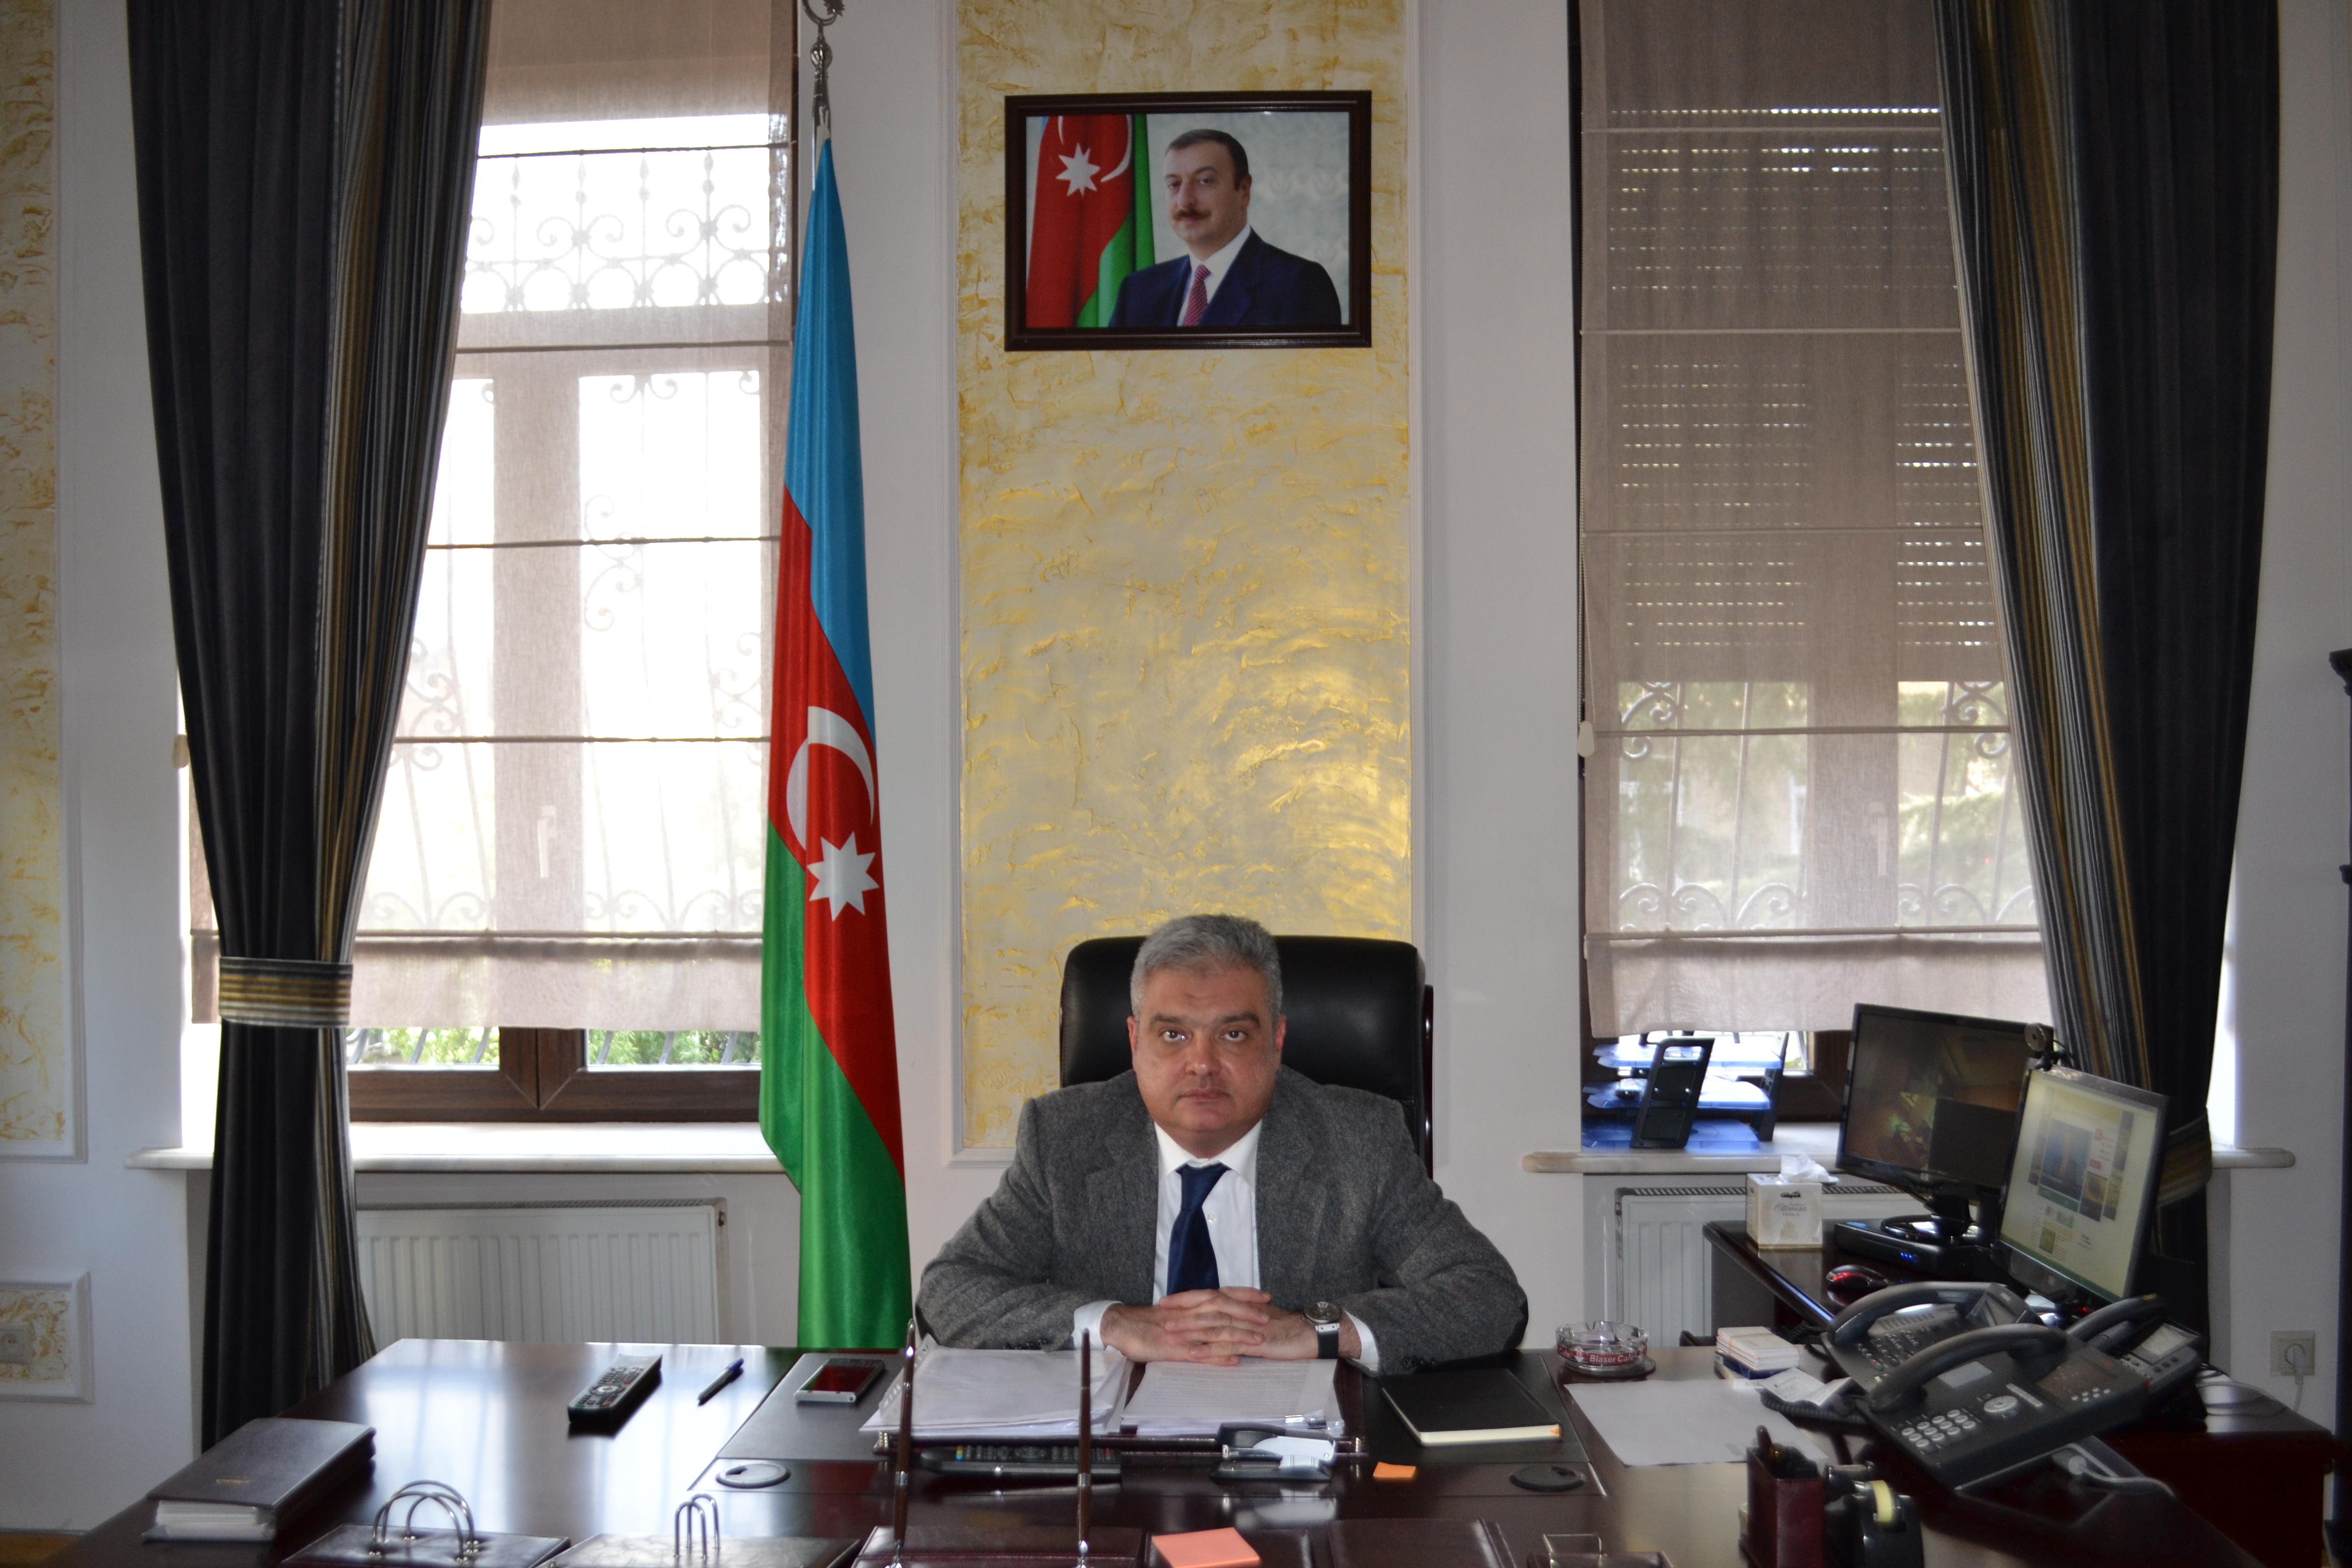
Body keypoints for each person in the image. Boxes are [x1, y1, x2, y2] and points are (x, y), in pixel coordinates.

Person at [918, 914, 1527, 1372]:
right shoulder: (1065, 1139)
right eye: (1174, 1035)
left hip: (1300, 1463)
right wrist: (1114, 1323)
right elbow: (949, 1292)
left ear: (1278, 1040)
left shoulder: (1357, 1140)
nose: (1202, 1065)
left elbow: (1490, 1297)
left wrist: (1320, 1329)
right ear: (1134, 1041)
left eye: (1233, 1034)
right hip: (1117, 1467)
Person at [1108, 130, 1343, 330]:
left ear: (1243, 191)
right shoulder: (1138, 290)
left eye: (1205, 181)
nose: (1184, 201)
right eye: (1174, 184)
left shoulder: (1300, 285)